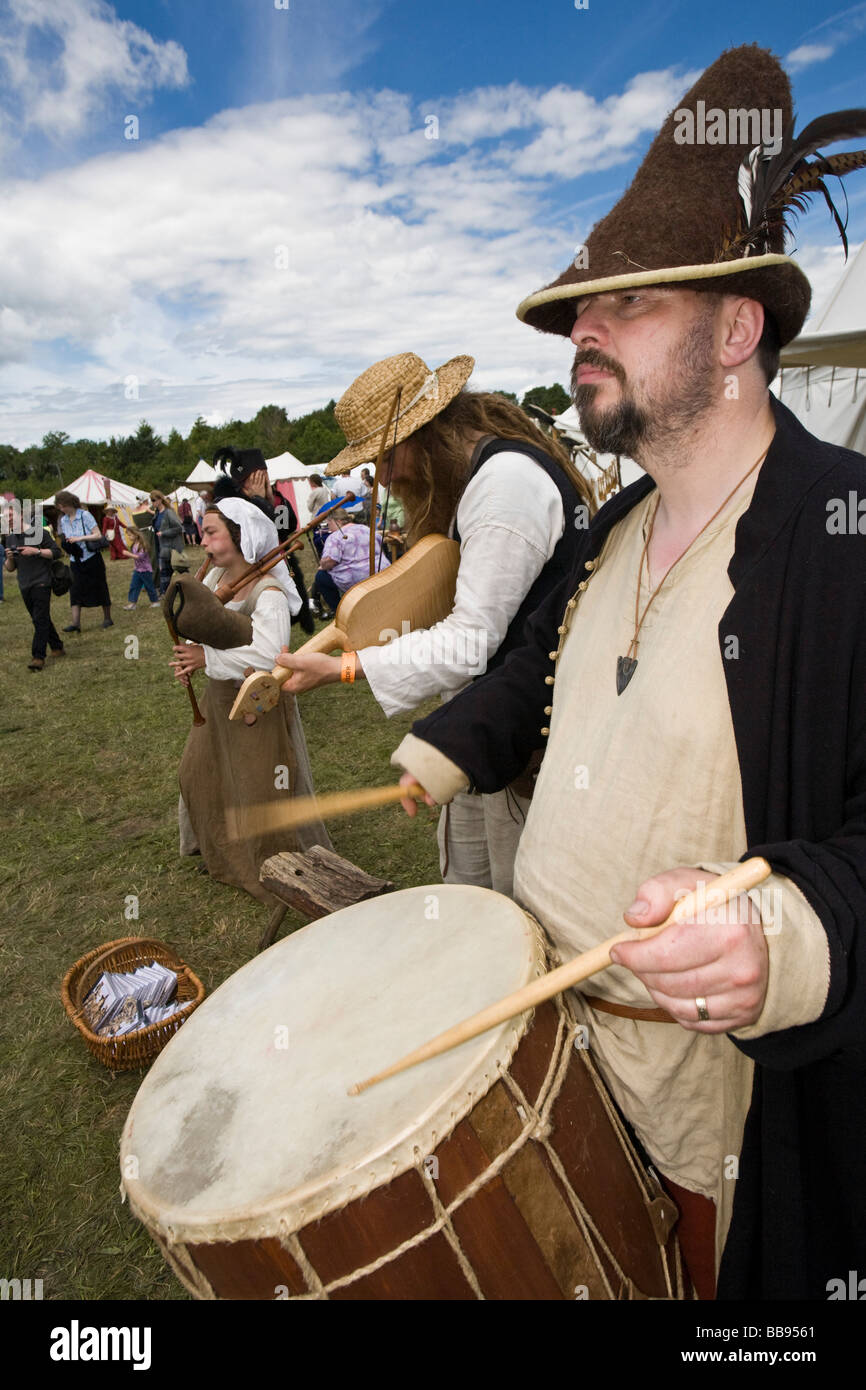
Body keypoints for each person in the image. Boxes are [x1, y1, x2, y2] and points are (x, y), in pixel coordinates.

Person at [387, 46, 866, 1301]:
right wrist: (450, 743)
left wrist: (795, 929)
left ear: (736, 330)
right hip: (556, 1067)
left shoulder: (842, 535)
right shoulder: (609, 529)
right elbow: (530, 670)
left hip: (717, 1135)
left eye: (629, 307)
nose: (579, 333)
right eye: (576, 314)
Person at [277, 351, 592, 897]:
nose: (383, 476)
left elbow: (469, 641)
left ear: (423, 435)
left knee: (515, 907)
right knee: (468, 889)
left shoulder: (505, 487)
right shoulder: (474, 481)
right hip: (486, 725)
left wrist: (340, 669)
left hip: (529, 739)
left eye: (383, 459)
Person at [170, 498, 331, 903]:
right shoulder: (215, 580)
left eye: (211, 533)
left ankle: (271, 866)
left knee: (260, 785)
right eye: (203, 532)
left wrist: (208, 658)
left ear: (241, 536)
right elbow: (202, 625)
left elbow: (271, 656)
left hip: (255, 705)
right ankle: (223, 851)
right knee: (200, 772)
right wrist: (191, 653)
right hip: (218, 698)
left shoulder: (269, 592)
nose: (202, 542)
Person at [213, 447, 314, 634]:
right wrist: (259, 501)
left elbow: (285, 527)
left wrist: (269, 501)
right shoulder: (232, 503)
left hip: (281, 557)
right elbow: (255, 536)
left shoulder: (276, 499)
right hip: (248, 568)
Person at [3, 521, 64, 669]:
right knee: (40, 617)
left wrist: (36, 551)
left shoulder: (39, 533)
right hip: (24, 584)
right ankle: (57, 646)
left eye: (12, 514)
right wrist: (10, 558)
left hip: (42, 581)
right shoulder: (10, 538)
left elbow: (57, 552)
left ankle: (38, 657)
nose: (8, 519)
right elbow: (10, 568)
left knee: (39, 619)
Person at [310, 508, 390, 617]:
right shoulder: (365, 528)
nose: (329, 527)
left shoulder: (335, 537)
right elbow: (381, 542)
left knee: (321, 577)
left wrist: (323, 565)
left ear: (337, 521)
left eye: (329, 523)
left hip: (358, 578)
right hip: (382, 571)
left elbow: (330, 560)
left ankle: (341, 613)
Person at [56, 490, 113, 631]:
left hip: (91, 558)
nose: (61, 509)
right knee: (75, 590)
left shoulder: (85, 515)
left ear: (69, 503)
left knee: (100, 586)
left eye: (63, 506)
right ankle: (76, 623)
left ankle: (107, 618)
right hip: (75, 559)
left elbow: (97, 535)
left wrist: (79, 538)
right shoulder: (63, 520)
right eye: (60, 507)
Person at [149, 491, 185, 595]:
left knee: (182, 571)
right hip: (163, 548)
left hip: (173, 547)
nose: (152, 503)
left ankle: (193, 589)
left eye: (154, 500)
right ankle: (165, 593)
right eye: (151, 501)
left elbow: (179, 528)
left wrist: (164, 533)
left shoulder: (169, 512)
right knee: (165, 573)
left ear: (160, 500)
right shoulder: (157, 513)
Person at [121, 529, 161, 609]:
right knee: (134, 586)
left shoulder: (142, 545)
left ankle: (155, 601)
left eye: (130, 535)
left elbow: (139, 557)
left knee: (149, 586)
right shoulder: (134, 545)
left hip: (145, 571)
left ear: (136, 535)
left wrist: (128, 554)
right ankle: (132, 603)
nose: (129, 537)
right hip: (138, 570)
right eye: (128, 535)